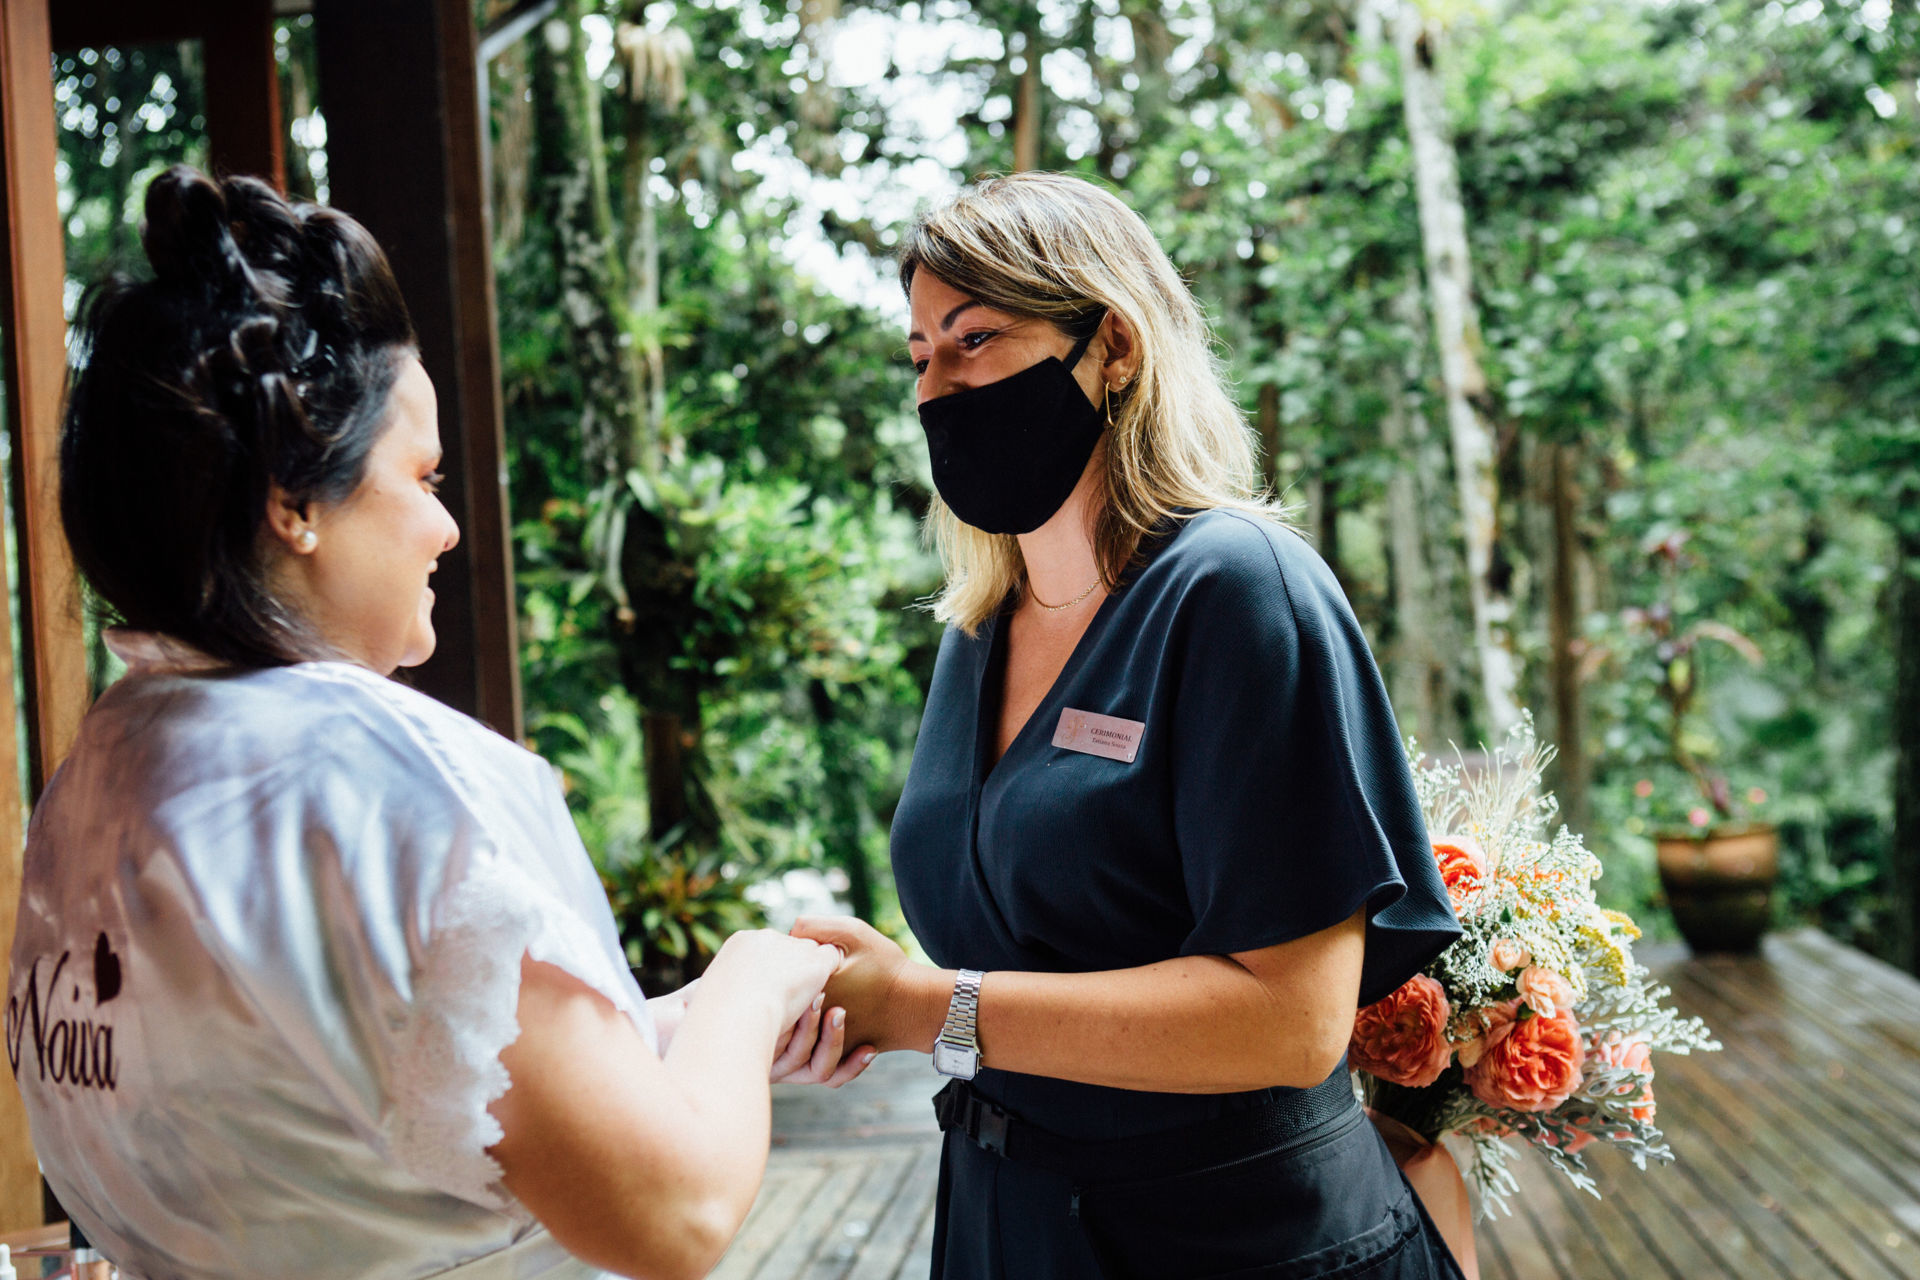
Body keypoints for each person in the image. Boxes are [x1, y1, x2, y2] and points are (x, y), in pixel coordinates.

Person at [6, 165, 871, 1280]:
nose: (449, 527)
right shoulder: (388, 777)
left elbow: (355, 1096)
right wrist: (753, 975)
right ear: (292, 500)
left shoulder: (107, 771)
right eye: (422, 475)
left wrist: (696, 1027)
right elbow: (678, 1208)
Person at [793, 172, 1467, 1280]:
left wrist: (929, 1006)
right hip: (1008, 1220)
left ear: (1114, 344)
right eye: (920, 355)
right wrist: (871, 986)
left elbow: (1290, 1022)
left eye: (977, 339)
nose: (938, 389)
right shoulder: (977, 630)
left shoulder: (1240, 589)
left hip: (1239, 1238)